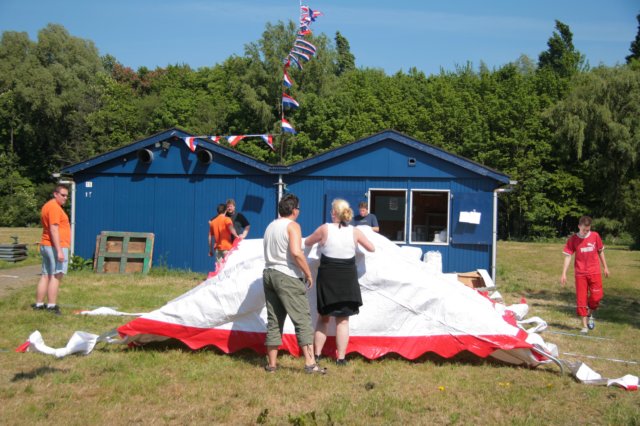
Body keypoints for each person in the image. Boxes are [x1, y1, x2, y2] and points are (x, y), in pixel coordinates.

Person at [305, 199, 375, 365]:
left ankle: (318, 355)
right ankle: (341, 358)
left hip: (328, 276)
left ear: (334, 213)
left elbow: (307, 242)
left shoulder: (324, 229)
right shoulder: (355, 231)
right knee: (343, 320)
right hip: (347, 277)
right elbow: (371, 248)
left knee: (323, 318)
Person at [262, 193, 326, 374]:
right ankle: (310, 364)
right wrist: (308, 273)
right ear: (294, 210)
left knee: (274, 320)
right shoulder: (293, 226)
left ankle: (272, 365)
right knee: (303, 320)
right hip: (287, 275)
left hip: (269, 273)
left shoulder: (270, 226)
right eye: (298, 209)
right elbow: (296, 253)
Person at [561, 215, 610, 334]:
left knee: (597, 296)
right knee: (581, 300)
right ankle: (584, 326)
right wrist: (564, 273)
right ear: (579, 226)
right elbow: (568, 256)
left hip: (594, 271)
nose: (585, 232)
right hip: (580, 273)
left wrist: (605, 267)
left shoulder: (595, 236)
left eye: (587, 230)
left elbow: (600, 252)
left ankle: (589, 314)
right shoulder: (573, 239)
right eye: (583, 230)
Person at [32, 184, 71, 315]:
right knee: (56, 275)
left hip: (47, 244)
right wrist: (59, 250)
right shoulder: (54, 208)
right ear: (55, 194)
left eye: (66, 196)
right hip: (55, 246)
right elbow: (54, 229)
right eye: (63, 195)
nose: (65, 198)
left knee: (46, 275)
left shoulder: (48, 206)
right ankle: (51, 306)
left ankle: (39, 304)